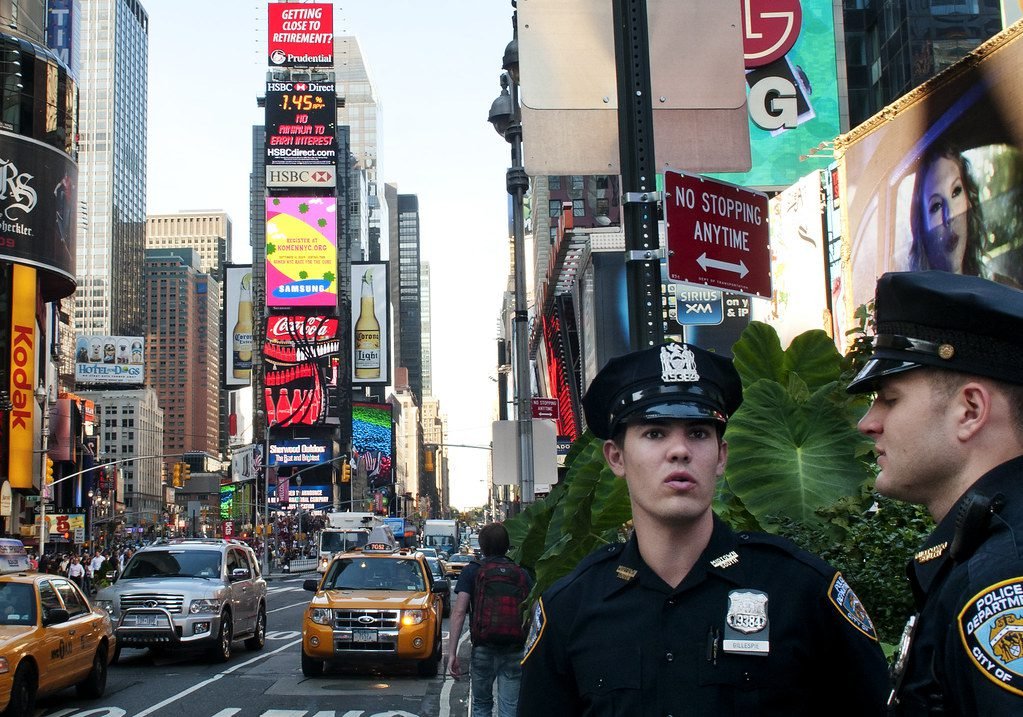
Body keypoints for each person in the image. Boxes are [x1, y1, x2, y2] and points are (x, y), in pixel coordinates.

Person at [518, 342, 890, 716]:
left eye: (697, 433)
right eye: (655, 433)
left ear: (721, 456)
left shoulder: (801, 592)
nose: (679, 450)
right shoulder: (570, 608)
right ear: (616, 457)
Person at [847, 270, 1023, 714]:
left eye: (890, 398)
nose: (868, 423)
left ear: (970, 410)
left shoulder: (1001, 577)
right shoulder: (988, 548)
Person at [447, 522, 531, 717]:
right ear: (507, 545)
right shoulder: (521, 574)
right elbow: (533, 613)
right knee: (510, 707)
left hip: (483, 648)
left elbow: (459, 612)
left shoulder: (471, 571)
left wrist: (452, 653)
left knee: (481, 706)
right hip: (514, 649)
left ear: (482, 547)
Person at [908, 142, 985, 275]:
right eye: (936, 206)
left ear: (969, 201)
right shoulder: (914, 296)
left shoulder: (1002, 288)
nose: (949, 215)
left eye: (956, 192)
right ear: (922, 227)